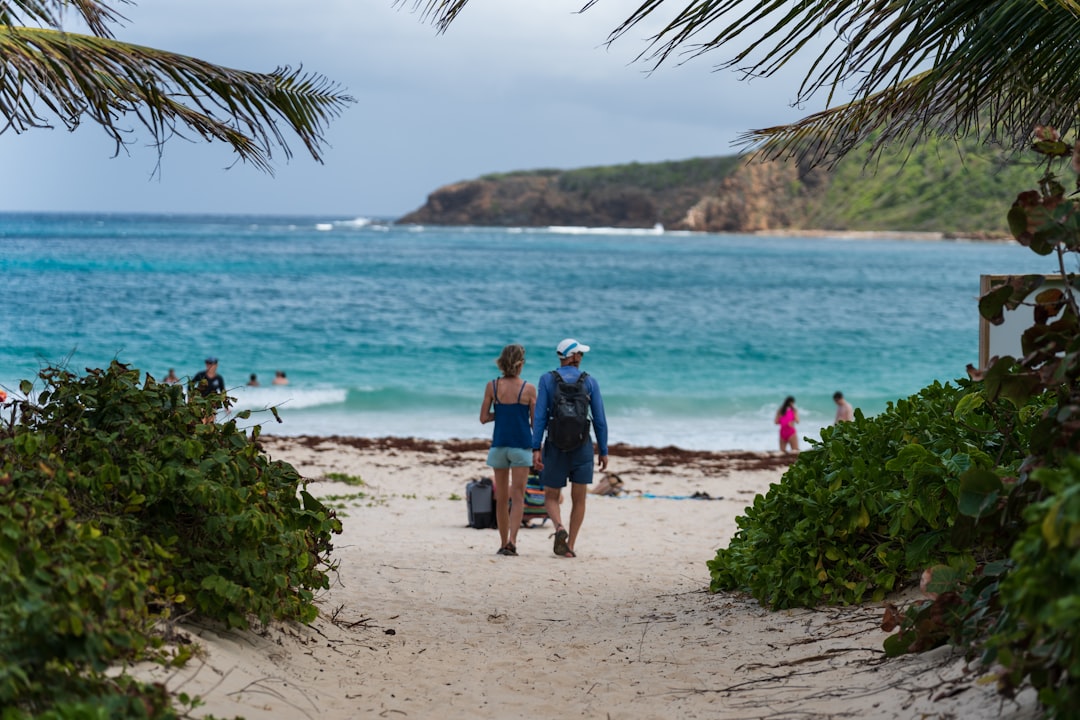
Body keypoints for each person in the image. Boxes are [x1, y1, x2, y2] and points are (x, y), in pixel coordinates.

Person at [531, 338, 609, 558]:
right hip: (582, 446)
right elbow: (600, 419)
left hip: (555, 445)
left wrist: (536, 447)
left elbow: (540, 417)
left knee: (551, 495)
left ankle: (559, 527)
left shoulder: (547, 379)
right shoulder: (590, 382)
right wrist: (603, 450)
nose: (581, 358)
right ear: (573, 356)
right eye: (580, 354)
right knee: (579, 498)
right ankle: (571, 546)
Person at [480, 344, 537, 556]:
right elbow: (535, 423)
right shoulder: (529, 389)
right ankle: (513, 540)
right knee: (518, 497)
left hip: (499, 447)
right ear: (521, 364)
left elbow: (484, 418)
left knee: (501, 499)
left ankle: (503, 542)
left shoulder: (492, 386)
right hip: (521, 447)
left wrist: (501, 414)